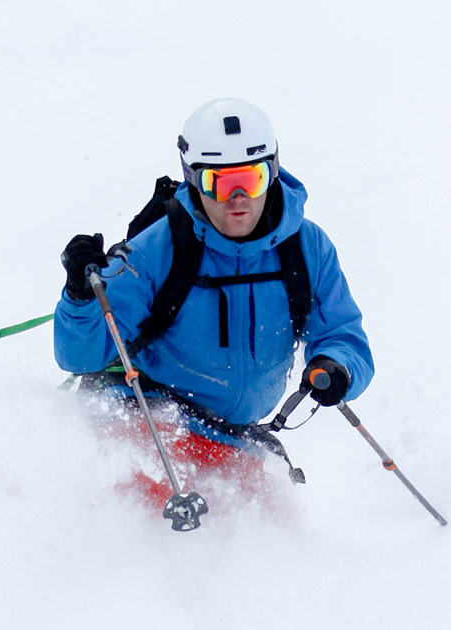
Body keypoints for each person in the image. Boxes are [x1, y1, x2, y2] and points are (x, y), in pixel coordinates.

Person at [54, 98, 374, 506]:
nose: (238, 198)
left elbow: (341, 333)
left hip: (233, 436)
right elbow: (80, 355)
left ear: (272, 172)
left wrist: (337, 365)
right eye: (220, 184)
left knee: (271, 528)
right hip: (152, 414)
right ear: (193, 180)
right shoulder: (159, 248)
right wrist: (81, 297)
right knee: (164, 515)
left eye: (252, 180)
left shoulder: (306, 248)